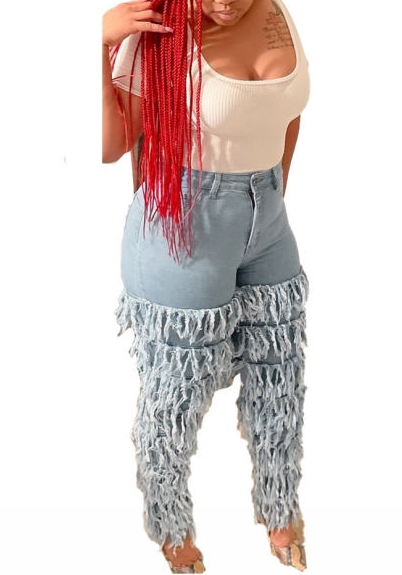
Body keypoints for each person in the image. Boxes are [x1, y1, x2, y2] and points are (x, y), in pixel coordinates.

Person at [102, 0, 310, 572]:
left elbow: (286, 116)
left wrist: (270, 201)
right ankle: (172, 528)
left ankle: (280, 507)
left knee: (279, 378)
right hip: (185, 223)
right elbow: (110, 146)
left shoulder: (278, 15)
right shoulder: (161, 31)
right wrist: (97, 46)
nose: (222, 2)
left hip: (266, 218)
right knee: (177, 396)